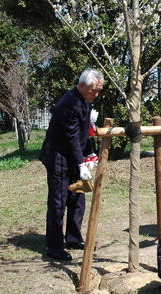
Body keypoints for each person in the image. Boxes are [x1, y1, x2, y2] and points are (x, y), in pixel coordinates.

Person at [39, 68, 104, 261]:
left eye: (99, 90)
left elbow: (84, 132)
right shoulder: (70, 103)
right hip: (58, 155)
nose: (96, 94)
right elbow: (71, 137)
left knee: (77, 199)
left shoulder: (85, 100)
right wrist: (81, 164)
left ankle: (74, 237)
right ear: (82, 86)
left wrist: (90, 153)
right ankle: (54, 245)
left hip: (73, 156)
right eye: (94, 90)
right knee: (58, 201)